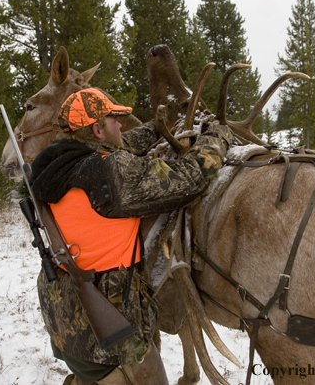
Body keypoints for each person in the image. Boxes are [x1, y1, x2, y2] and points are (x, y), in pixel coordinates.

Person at [29, 88, 232, 385]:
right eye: (114, 121)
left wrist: (160, 127)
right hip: (113, 339)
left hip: (67, 328)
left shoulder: (52, 167)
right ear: (98, 129)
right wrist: (217, 136)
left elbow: (117, 147)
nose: (121, 126)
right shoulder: (111, 172)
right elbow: (192, 177)